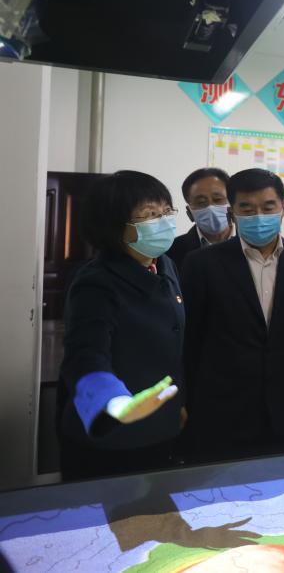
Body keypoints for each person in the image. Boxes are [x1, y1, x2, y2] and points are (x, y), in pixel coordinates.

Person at [182, 168, 284, 459]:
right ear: (232, 212)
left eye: (268, 207)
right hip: (221, 407)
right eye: (246, 209)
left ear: (283, 207)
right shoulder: (201, 263)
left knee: (282, 479)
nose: (258, 216)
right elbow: (192, 337)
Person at [57, 171, 185, 480]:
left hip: (159, 427)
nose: (164, 222)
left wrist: (178, 404)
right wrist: (114, 402)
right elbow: (85, 355)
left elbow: (173, 340)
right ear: (115, 227)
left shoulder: (164, 264)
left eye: (166, 211)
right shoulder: (96, 282)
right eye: (150, 214)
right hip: (111, 437)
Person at [167, 167, 233, 271]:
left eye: (218, 199)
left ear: (232, 203)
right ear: (189, 212)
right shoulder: (171, 251)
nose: (211, 207)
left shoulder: (251, 242)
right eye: (201, 202)